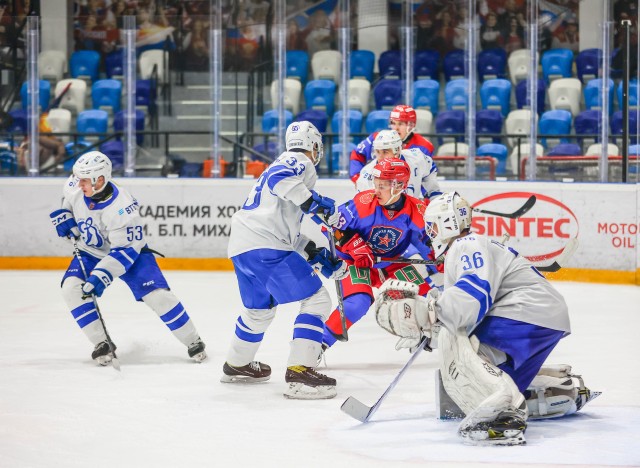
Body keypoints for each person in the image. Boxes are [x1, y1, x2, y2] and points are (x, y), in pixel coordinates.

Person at [374, 191, 598, 446]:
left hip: (526, 311)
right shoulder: (469, 247)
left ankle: (501, 416)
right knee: (491, 374)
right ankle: (561, 392)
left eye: (433, 225)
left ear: (447, 223)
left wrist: (430, 314)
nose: (430, 233)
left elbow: (473, 295)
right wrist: (434, 325)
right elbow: (467, 307)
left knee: (456, 341)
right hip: (540, 315)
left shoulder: (466, 245)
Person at [222, 121, 347, 400]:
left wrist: (314, 255)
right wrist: (315, 203)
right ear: (314, 146)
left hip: (244, 246)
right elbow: (281, 178)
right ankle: (300, 371)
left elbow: (287, 232)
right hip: (265, 244)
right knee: (318, 301)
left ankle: (237, 364)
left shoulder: (284, 171)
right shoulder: (300, 160)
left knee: (260, 312)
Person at [49, 151, 207, 366]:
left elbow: (124, 251)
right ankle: (101, 343)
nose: (80, 183)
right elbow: (68, 198)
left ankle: (192, 340)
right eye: (79, 178)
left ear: (101, 179)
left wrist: (101, 275)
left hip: (129, 254)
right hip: (90, 252)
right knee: (71, 289)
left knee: (158, 296)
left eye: (85, 180)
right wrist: (65, 214)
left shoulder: (123, 209)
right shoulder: (77, 183)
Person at [321, 158, 435, 351]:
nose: (376, 190)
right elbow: (330, 226)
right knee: (357, 303)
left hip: (392, 264)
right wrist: (353, 244)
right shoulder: (363, 203)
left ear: (399, 185)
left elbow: (427, 242)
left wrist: (439, 258)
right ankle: (317, 345)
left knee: (427, 299)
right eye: (376, 184)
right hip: (355, 262)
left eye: (382, 185)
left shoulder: (417, 210)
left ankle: (438, 337)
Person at [349, 105, 434, 183]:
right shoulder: (377, 138)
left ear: (411, 125)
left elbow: (427, 176)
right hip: (380, 190)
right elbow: (357, 154)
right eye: (393, 123)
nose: (396, 128)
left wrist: (424, 197)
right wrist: (358, 178)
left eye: (400, 124)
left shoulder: (424, 146)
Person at [356, 129, 442, 201]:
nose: (381, 157)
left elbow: (430, 168)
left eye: (385, 152)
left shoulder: (416, 158)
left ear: (397, 150)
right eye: (378, 152)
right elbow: (363, 208)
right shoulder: (366, 175)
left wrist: (433, 195)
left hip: (411, 217)